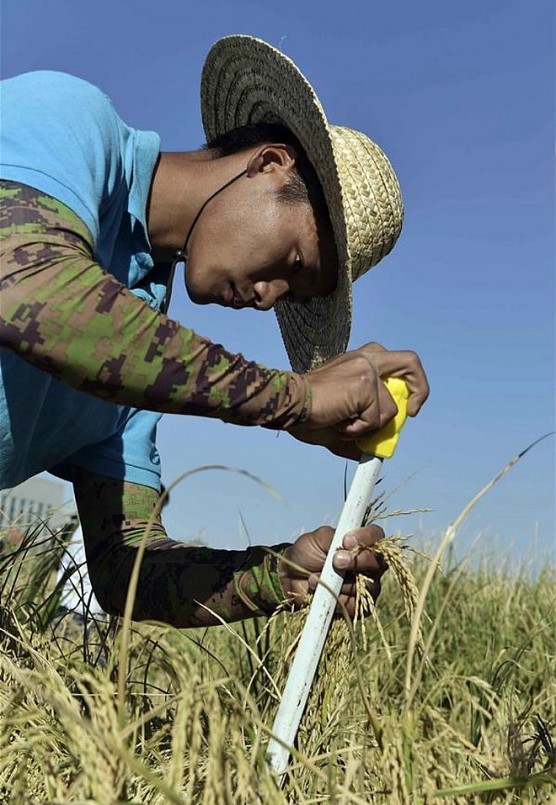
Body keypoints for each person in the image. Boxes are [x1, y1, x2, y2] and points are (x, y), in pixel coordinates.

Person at [0, 35, 429, 628]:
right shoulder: (65, 119)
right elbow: (27, 286)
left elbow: (127, 569)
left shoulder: (139, 360)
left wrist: (279, 574)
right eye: (294, 263)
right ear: (270, 163)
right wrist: (296, 400)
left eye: (293, 295)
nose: (268, 296)